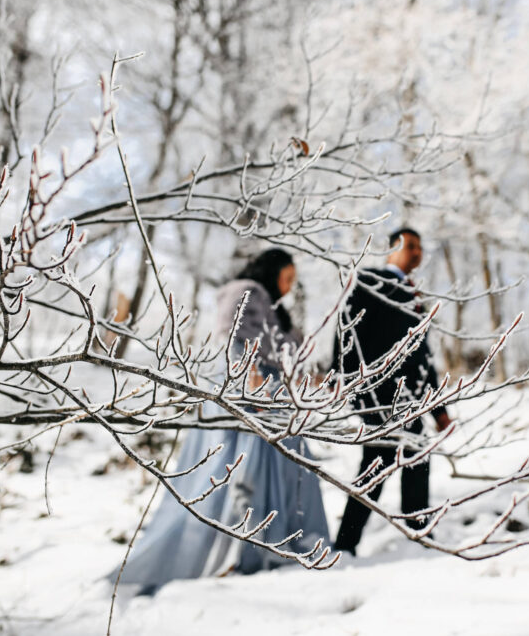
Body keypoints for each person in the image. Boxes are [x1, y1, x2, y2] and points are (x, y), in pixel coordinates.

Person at [109, 249, 329, 594]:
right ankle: (247, 552)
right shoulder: (245, 290)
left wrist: (314, 380)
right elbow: (232, 335)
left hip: (274, 401)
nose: (290, 285)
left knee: (289, 469)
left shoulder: (277, 311)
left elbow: (290, 358)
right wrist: (251, 378)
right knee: (246, 474)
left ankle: (277, 545)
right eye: (287, 277)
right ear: (272, 271)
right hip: (247, 395)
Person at [332, 227, 452, 556]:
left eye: (420, 247)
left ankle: (357, 543)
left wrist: (438, 408)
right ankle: (400, 536)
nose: (418, 253)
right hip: (378, 394)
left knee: (401, 456)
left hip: (409, 397)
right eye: (411, 246)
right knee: (384, 460)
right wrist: (345, 381)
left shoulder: (414, 296)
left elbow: (421, 356)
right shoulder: (372, 281)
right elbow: (347, 329)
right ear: (392, 250)